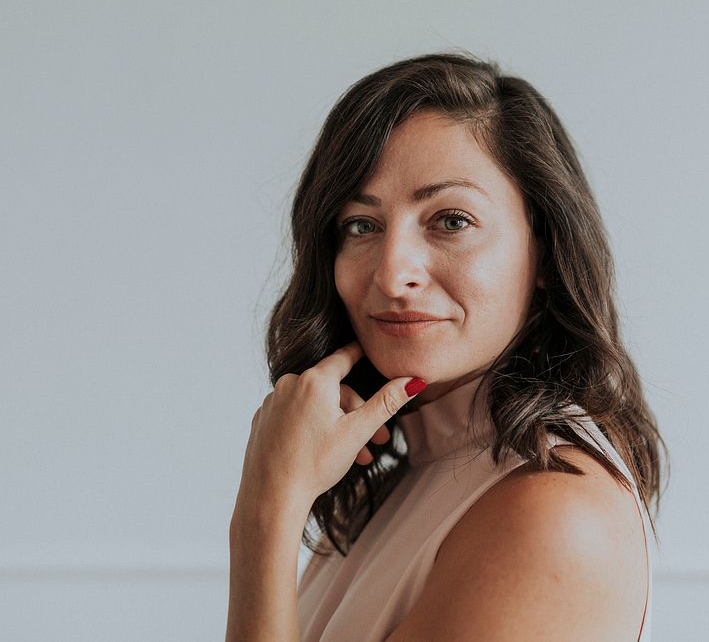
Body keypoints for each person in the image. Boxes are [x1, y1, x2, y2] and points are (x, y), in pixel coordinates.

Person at [226, 50, 669, 641]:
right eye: (361, 225)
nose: (392, 274)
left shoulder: (550, 515)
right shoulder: (394, 477)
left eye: (451, 221)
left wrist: (264, 515)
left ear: (544, 250)